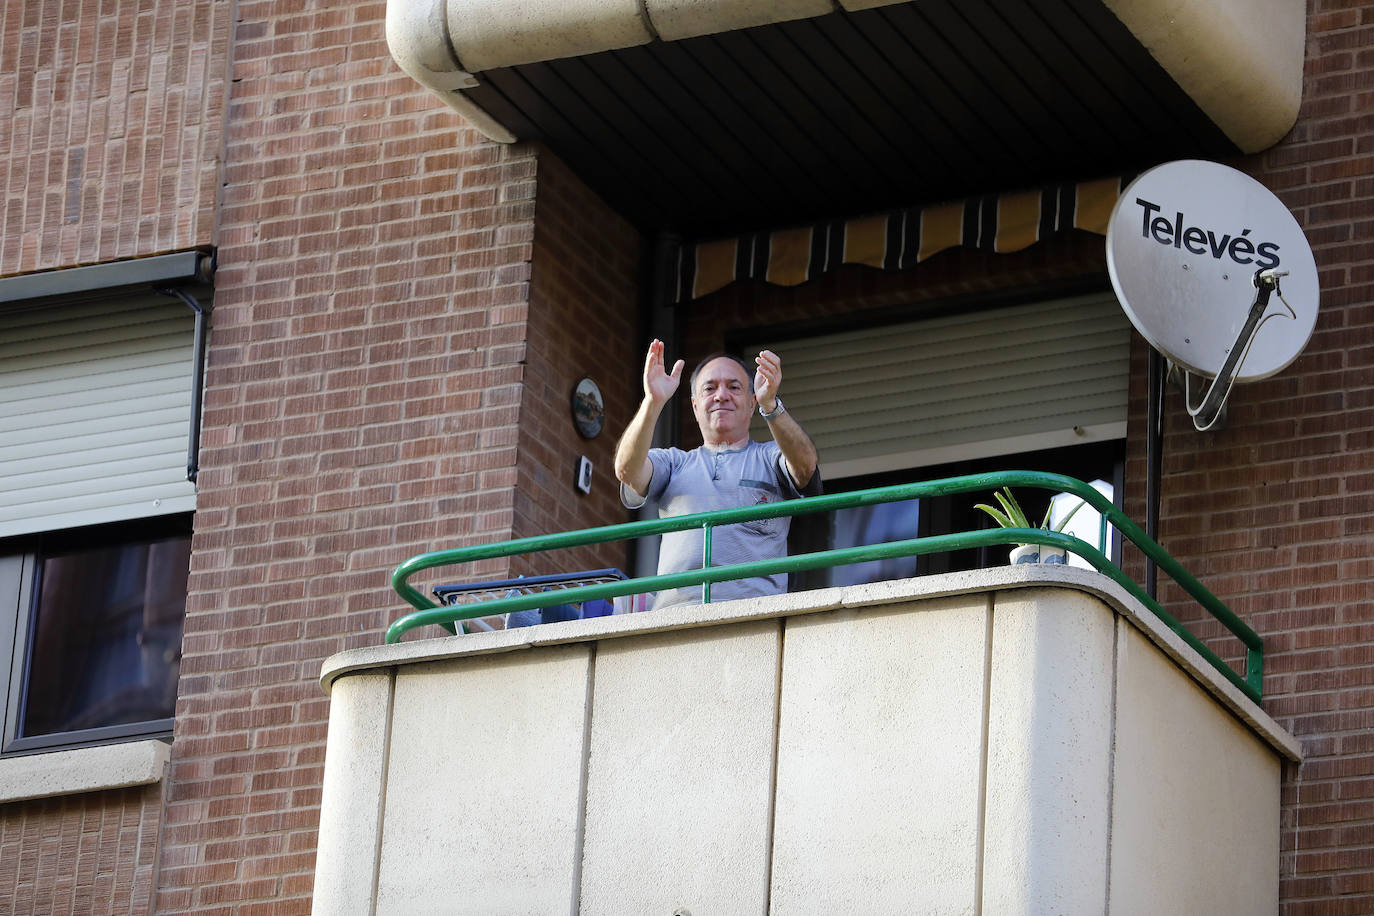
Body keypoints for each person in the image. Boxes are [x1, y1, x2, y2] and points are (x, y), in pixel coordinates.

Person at [615, 339, 822, 610]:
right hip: (673, 620)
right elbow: (627, 470)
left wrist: (771, 405)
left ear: (751, 404)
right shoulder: (674, 462)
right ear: (695, 406)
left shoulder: (770, 457)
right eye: (709, 388)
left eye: (734, 387)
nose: (721, 395)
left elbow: (806, 467)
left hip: (754, 617)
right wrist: (653, 402)